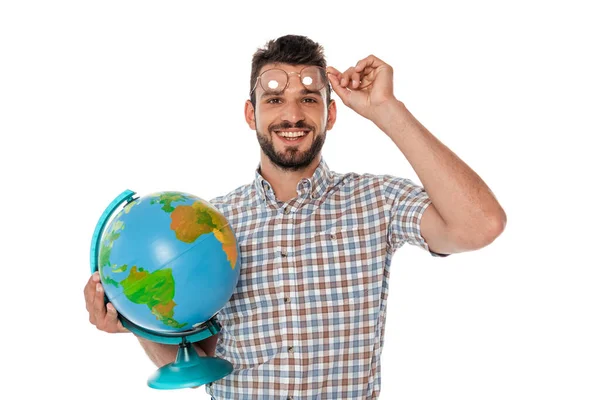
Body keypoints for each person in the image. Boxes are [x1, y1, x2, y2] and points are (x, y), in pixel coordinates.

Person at [84, 34, 506, 399]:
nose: (292, 115)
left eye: (309, 99)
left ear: (331, 113)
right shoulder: (211, 226)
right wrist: (134, 319)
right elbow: (201, 360)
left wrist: (386, 109)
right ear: (252, 114)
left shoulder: (376, 201)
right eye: (274, 100)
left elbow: (480, 225)